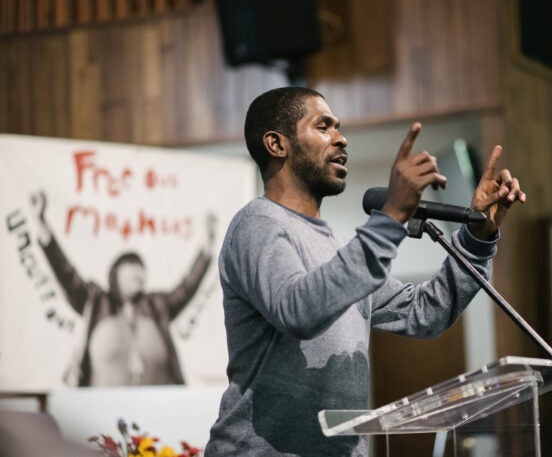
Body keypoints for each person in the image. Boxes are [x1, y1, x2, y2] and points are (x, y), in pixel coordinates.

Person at [203, 86, 526, 457]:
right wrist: (390, 217)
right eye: (323, 127)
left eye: (338, 128)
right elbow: (298, 310)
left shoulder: (342, 248)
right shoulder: (257, 225)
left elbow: (425, 313)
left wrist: (477, 236)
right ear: (278, 144)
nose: (341, 139)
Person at [30, 191, 216, 386]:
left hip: (157, 406)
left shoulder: (157, 304)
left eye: (141, 268)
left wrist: (207, 246)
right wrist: (41, 222)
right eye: (132, 266)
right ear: (116, 274)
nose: (139, 273)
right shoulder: (95, 300)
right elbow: (64, 272)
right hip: (102, 406)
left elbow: (187, 287)